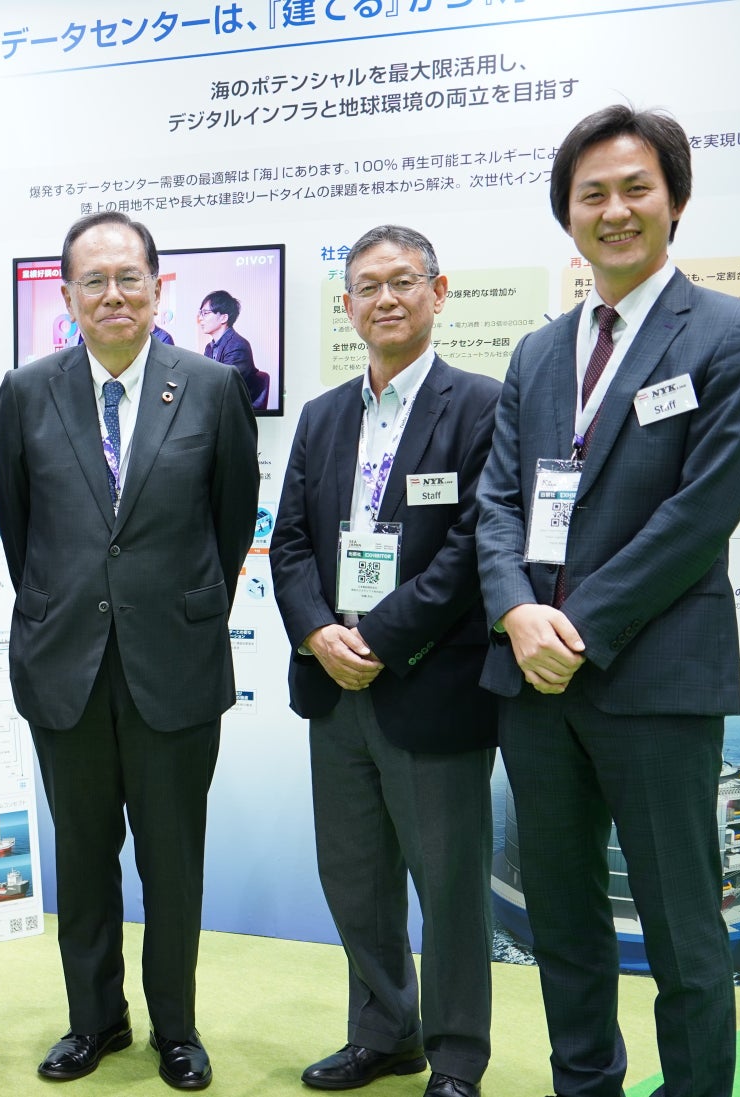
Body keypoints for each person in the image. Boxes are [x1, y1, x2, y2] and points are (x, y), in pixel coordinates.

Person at [474, 106, 740, 1097]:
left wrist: (577, 627)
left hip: (654, 678)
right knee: (563, 918)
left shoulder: (730, 332)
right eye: (591, 193)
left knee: (683, 927)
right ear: (567, 213)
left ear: (675, 200)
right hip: (533, 682)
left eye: (635, 188)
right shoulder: (538, 352)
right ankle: (586, 1085)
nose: (614, 210)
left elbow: (702, 513)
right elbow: (497, 503)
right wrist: (517, 612)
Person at [0, 211, 260, 1091]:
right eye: (93, 281)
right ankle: (94, 1019)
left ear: (157, 287)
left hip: (173, 663)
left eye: (129, 278)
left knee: (173, 861)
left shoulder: (212, 387)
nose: (113, 294)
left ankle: (175, 1028)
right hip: (65, 664)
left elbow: (229, 523)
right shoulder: (27, 391)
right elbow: (21, 530)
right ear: (68, 295)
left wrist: (174, 612)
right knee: (82, 857)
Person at [270, 225, 499, 1097]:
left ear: (438, 292)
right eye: (368, 286)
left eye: (403, 282)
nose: (386, 299)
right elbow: (291, 541)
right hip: (336, 688)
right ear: (348, 306)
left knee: (449, 888)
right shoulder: (323, 414)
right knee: (355, 878)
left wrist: (381, 637)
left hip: (430, 685)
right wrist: (317, 633)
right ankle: (383, 1032)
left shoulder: (481, 406)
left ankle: (457, 1056)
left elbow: (473, 547)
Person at [197, 290, 268, 409]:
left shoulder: (238, 346)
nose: (200, 318)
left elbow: (224, 386)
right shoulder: (209, 347)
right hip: (217, 406)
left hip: (233, 410)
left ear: (223, 318)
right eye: (200, 313)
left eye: (205, 313)